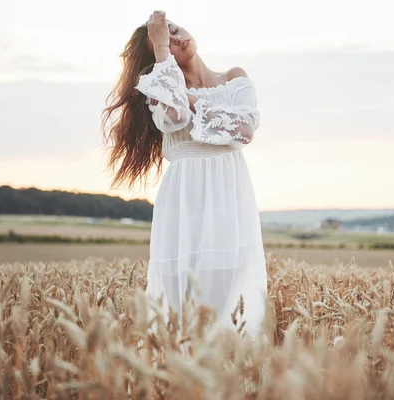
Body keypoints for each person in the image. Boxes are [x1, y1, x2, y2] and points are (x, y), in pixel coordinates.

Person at [102, 11, 267, 336]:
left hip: (229, 201)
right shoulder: (161, 91)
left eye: (175, 31)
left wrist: (192, 98)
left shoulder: (234, 77)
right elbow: (176, 115)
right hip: (184, 203)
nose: (177, 39)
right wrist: (162, 54)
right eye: (167, 41)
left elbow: (244, 131)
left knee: (227, 306)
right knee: (177, 312)